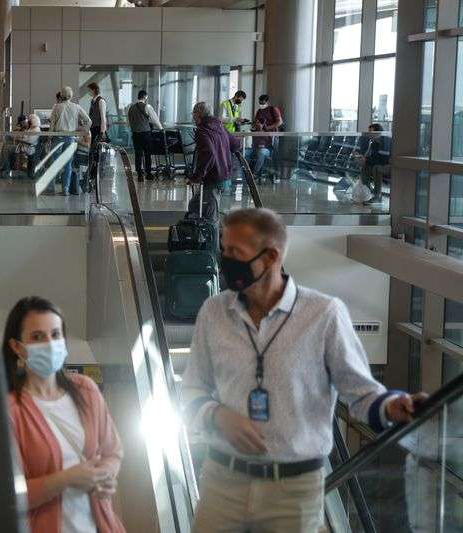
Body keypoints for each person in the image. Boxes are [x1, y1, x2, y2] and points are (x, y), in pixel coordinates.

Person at [183, 208, 427, 532]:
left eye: (235, 253)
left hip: (293, 491)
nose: (225, 260)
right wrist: (216, 415)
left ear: (270, 256)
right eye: (223, 250)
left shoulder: (324, 315)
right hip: (222, 482)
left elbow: (362, 394)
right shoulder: (214, 312)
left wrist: (394, 407)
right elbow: (192, 389)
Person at [3, 296, 125, 533]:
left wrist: (105, 476)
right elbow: (5, 496)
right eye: (37, 337)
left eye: (56, 334)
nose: (49, 343)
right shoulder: (9, 411)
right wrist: (66, 479)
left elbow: (113, 452)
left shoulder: (85, 389)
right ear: (17, 347)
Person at [188, 102, 240, 252]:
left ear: (198, 115)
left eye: (193, 114)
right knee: (194, 206)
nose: (193, 117)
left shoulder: (202, 130)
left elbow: (208, 154)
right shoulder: (220, 126)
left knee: (212, 218)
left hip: (214, 178)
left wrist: (196, 177)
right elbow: (236, 145)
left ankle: (213, 253)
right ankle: (196, 238)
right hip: (224, 175)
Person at [50, 86, 92, 195]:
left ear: (61, 95)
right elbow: (89, 121)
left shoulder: (56, 107)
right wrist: (82, 130)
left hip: (57, 138)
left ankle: (51, 188)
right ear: (71, 95)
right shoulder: (76, 107)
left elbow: (52, 126)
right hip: (70, 138)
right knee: (68, 165)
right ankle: (65, 189)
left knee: (54, 163)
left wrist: (48, 138)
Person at [127, 90, 163, 182]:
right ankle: (148, 174)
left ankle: (139, 174)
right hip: (145, 134)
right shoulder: (147, 106)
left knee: (138, 154)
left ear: (138, 97)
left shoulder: (130, 108)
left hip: (135, 134)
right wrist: (161, 128)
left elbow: (128, 122)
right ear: (145, 97)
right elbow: (155, 119)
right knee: (147, 153)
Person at [245, 94, 284, 178]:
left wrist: (267, 128)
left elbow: (280, 122)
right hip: (258, 141)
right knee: (246, 153)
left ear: (267, 102)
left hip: (270, 137)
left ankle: (268, 174)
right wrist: (256, 126)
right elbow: (255, 122)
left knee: (269, 154)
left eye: (262, 103)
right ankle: (247, 173)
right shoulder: (259, 111)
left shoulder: (273, 109)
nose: (261, 105)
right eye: (260, 103)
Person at [358, 123, 390, 205]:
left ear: (378, 132)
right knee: (365, 167)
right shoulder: (374, 143)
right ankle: (368, 191)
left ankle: (377, 195)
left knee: (376, 168)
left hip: (389, 165)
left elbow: (384, 158)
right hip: (380, 163)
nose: (369, 134)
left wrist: (366, 160)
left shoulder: (386, 141)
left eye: (371, 132)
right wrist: (365, 160)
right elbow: (374, 157)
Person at [87, 83, 108, 182]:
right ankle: (91, 173)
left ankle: (95, 173)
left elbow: (103, 118)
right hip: (93, 129)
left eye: (89, 90)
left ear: (94, 90)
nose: (88, 92)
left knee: (95, 151)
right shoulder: (93, 101)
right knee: (92, 152)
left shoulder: (101, 101)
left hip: (99, 129)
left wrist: (102, 132)